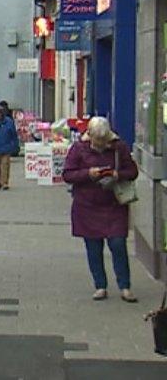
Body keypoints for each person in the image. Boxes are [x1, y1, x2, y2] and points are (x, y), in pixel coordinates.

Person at [62, 117, 139, 303]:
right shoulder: (79, 149)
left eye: (104, 141)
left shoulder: (119, 147)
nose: (101, 144)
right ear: (90, 135)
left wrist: (117, 174)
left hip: (114, 204)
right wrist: (88, 174)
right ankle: (100, 285)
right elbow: (67, 174)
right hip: (87, 205)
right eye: (97, 140)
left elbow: (133, 171)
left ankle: (125, 286)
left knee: (118, 244)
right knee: (94, 247)